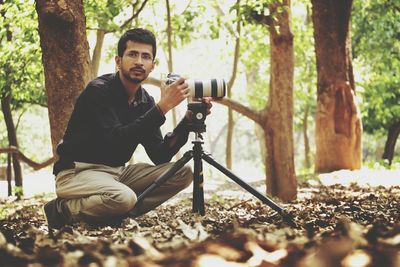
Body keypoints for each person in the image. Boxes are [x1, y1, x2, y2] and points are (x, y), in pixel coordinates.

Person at [43, 28, 211, 229]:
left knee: (183, 172)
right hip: (77, 172)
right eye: (132, 54)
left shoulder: (145, 101)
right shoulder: (98, 91)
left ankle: (110, 211)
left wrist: (187, 120)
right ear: (118, 60)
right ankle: (62, 210)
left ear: (152, 66)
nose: (139, 61)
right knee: (123, 198)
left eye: (145, 57)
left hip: (117, 173)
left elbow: (160, 155)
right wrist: (163, 106)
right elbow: (115, 138)